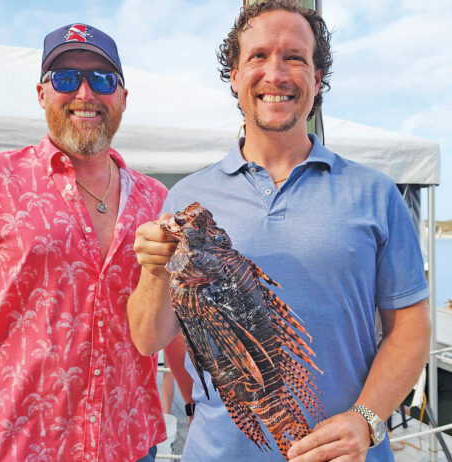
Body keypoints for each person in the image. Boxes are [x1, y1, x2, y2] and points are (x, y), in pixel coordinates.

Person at [127, 1, 431, 461]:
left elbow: (410, 327)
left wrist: (366, 420)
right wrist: (154, 271)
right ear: (234, 75)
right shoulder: (187, 195)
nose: (276, 73)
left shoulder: (376, 193)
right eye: (258, 56)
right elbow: (149, 339)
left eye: (294, 57)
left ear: (317, 75)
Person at [0, 23, 167, 462]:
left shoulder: (157, 199)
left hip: (129, 445)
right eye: (66, 78)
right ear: (41, 93)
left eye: (103, 79)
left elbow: (174, 309)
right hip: (9, 448)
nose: (86, 93)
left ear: (123, 98)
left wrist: (192, 402)